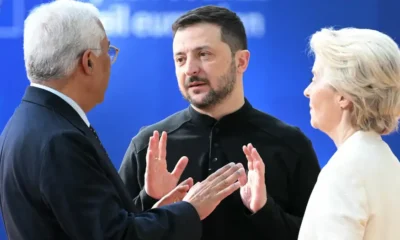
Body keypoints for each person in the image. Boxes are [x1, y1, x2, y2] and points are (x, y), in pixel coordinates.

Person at [0, 1, 248, 240]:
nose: (110, 61)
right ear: (88, 61)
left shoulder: (24, 124)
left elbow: (97, 227)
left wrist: (153, 203)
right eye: (108, 51)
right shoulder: (60, 139)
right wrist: (191, 209)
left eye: (204, 54)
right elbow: (116, 236)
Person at [119, 5, 321, 240]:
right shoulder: (149, 146)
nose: (190, 69)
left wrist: (264, 211)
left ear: (241, 61)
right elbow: (112, 233)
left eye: (204, 54)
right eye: (180, 59)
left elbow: (319, 235)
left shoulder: (290, 144)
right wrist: (150, 198)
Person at [297, 27, 400, 239]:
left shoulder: (345, 172)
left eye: (315, 77)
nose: (307, 91)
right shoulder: (389, 164)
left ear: (343, 95)